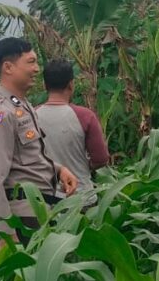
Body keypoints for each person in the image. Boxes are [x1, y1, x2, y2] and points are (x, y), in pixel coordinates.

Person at [0, 37, 78, 243]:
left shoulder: (22, 106)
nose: (37, 69)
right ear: (8, 67)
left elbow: (28, 157)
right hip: (22, 220)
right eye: (30, 62)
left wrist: (59, 170)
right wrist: (5, 234)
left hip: (40, 211)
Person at [37, 59, 110, 206]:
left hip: (47, 202)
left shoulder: (31, 116)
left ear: (44, 85)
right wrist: (84, 166)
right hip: (82, 198)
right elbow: (101, 159)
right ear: (71, 84)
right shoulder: (85, 116)